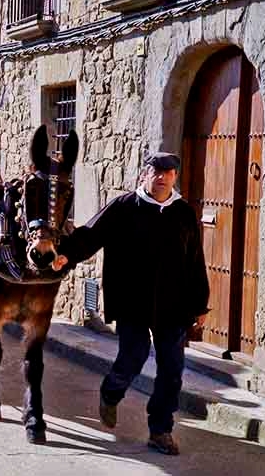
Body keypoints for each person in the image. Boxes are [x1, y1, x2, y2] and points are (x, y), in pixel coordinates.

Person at [52, 152, 210, 456]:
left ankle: (161, 430)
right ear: (145, 175)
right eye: (156, 171)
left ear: (176, 177)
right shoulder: (125, 206)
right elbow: (91, 234)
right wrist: (66, 255)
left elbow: (195, 261)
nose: (162, 177)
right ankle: (111, 392)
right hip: (132, 300)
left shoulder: (183, 212)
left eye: (169, 172)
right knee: (134, 355)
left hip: (173, 304)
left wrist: (200, 305)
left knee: (172, 370)